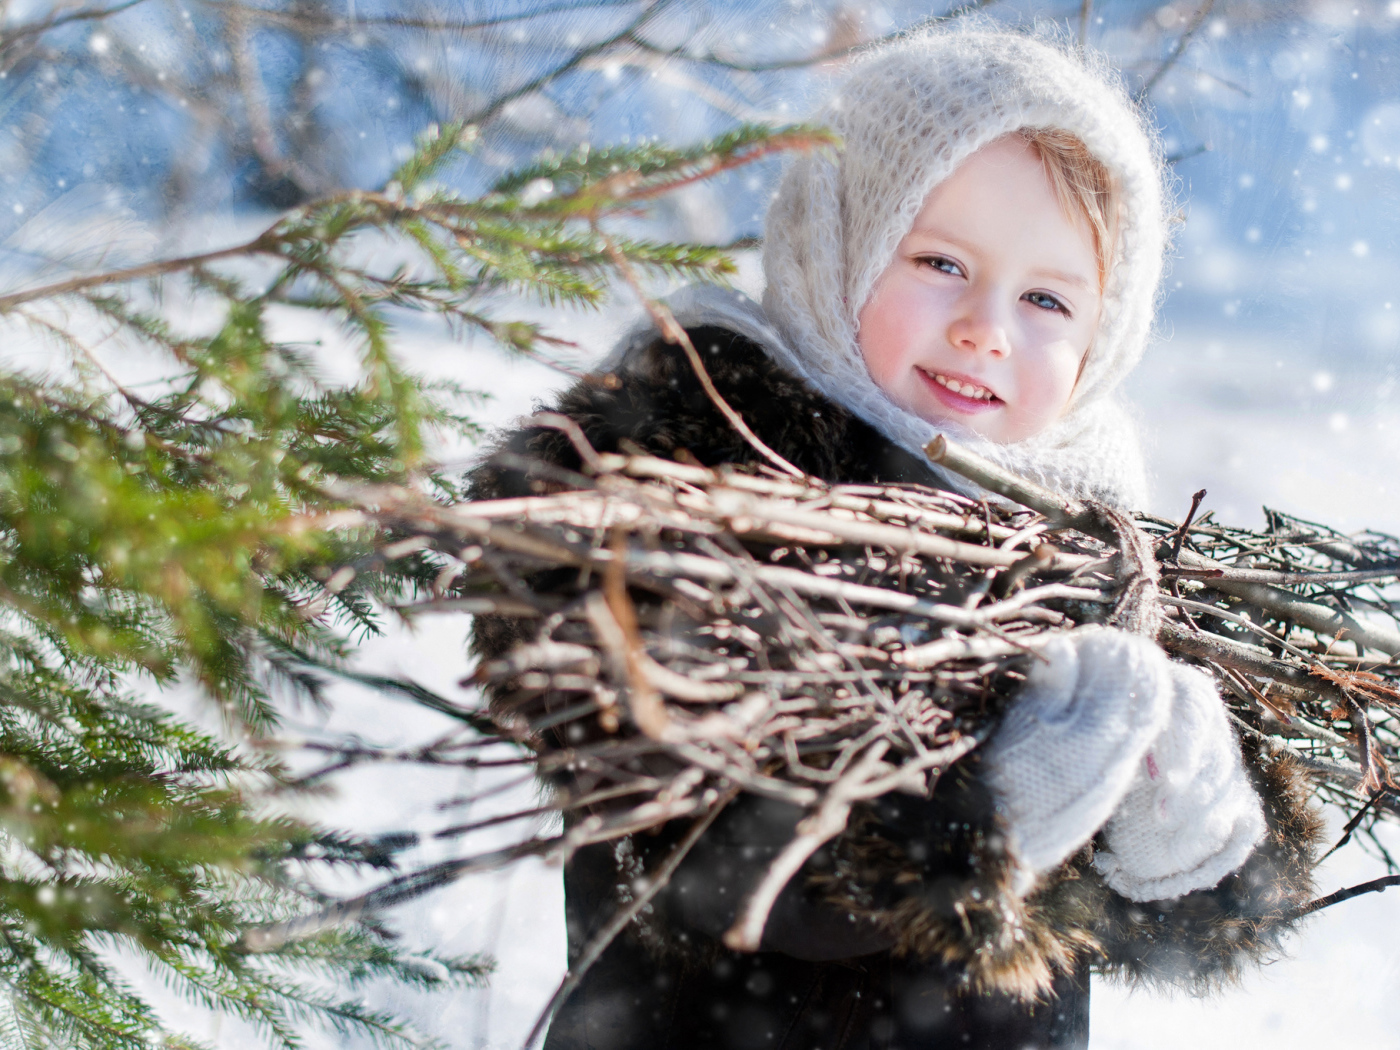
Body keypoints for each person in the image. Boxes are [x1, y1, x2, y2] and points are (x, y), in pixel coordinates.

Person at [468, 24, 1324, 1050]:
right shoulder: (679, 467)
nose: (985, 326)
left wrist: (1187, 837)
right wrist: (977, 828)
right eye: (939, 262)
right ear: (839, 238)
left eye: (1046, 297)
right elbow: (692, 865)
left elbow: (1159, 930)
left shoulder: (1092, 538)